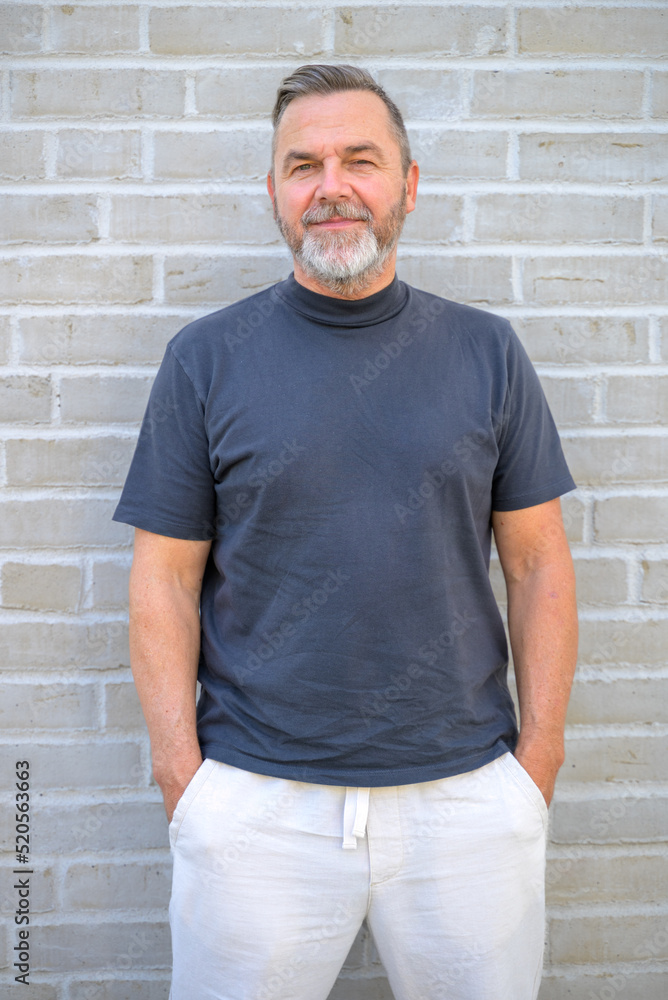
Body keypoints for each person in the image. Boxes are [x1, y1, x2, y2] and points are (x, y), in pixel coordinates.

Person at [113, 64, 578, 1000]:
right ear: (275, 193)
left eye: (360, 160)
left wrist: (537, 765)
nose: (332, 186)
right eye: (303, 165)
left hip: (466, 799)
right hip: (255, 800)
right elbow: (161, 579)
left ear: (408, 183)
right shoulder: (205, 359)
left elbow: (538, 566)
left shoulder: (487, 352)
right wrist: (183, 777)